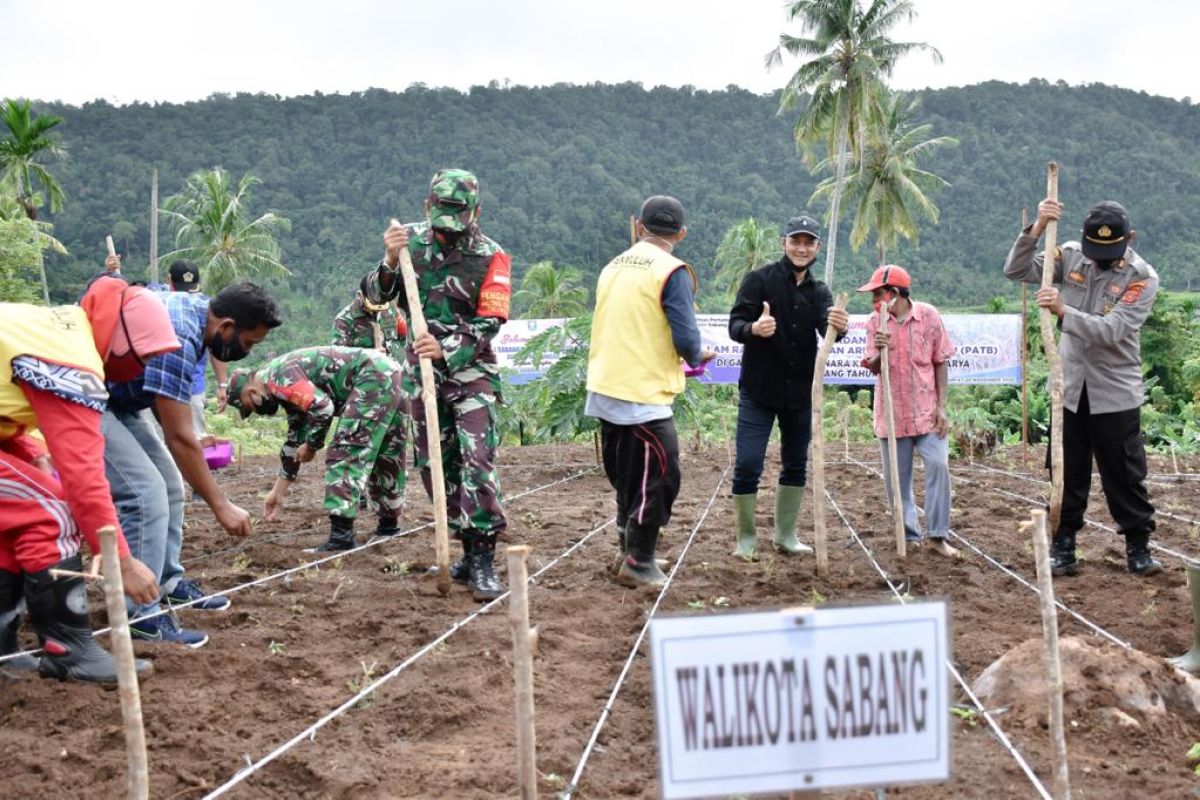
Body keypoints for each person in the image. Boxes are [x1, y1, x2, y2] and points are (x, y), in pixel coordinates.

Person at [1, 277, 171, 682]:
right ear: (121, 340)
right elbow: (85, 480)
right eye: (141, 356)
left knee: (18, 512)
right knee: (50, 510)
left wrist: (34, 453)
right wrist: (123, 564)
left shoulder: (56, 327)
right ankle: (68, 649)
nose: (140, 368)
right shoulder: (72, 360)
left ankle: (3, 650)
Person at [103, 278, 282, 647]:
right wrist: (221, 505)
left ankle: (164, 581)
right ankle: (139, 614)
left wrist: (190, 437)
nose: (246, 352)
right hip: (88, 395)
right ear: (227, 326)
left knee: (168, 482)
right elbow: (177, 438)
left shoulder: (199, 314)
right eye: (248, 343)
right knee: (143, 492)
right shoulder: (178, 337)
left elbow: (176, 422)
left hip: (123, 400)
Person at [362, 168, 511, 601]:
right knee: (433, 463)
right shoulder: (407, 243)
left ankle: (482, 556)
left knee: (477, 459)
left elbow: (492, 320)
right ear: (427, 207)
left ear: (476, 212)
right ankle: (461, 548)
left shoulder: (491, 255)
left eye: (458, 221)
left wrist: (446, 347)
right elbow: (374, 297)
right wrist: (389, 261)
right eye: (440, 219)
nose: (448, 232)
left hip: (471, 371)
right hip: (419, 376)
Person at [1004, 199, 1161, 576]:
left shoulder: (1141, 277)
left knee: (1123, 473)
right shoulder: (1072, 257)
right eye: (1096, 251)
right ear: (1082, 240)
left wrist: (1063, 311)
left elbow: (1113, 331)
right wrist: (1038, 226)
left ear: (1130, 239)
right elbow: (1017, 269)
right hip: (1070, 387)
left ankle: (1138, 546)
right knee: (1066, 470)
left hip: (1115, 392)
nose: (1100, 260)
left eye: (1109, 253)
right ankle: (1064, 543)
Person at [585, 195, 715, 589]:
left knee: (627, 475)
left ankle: (629, 547)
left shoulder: (613, 266)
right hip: (642, 394)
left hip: (606, 384)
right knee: (659, 477)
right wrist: (698, 354)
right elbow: (686, 334)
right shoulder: (672, 270)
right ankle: (639, 562)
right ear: (681, 233)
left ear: (639, 226)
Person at [727, 215, 849, 560]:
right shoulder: (758, 281)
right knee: (749, 463)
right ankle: (746, 539)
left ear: (817, 248)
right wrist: (755, 329)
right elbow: (734, 326)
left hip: (799, 394)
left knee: (795, 463)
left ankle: (785, 536)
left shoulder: (820, 291)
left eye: (809, 242)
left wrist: (840, 326)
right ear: (784, 242)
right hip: (759, 391)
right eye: (796, 240)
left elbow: (832, 332)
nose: (801, 247)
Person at [224, 346, 408, 551]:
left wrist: (312, 446)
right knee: (387, 453)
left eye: (249, 406)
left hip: (372, 375)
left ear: (251, 392)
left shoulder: (277, 378)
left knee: (344, 451)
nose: (256, 412)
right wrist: (277, 493)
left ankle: (341, 538)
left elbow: (323, 408)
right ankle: (388, 526)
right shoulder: (282, 388)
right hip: (391, 373)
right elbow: (294, 443)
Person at [858, 264, 960, 558]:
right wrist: (879, 350)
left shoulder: (928, 316)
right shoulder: (874, 323)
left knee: (939, 466)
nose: (873, 300)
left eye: (877, 294)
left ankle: (938, 535)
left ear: (895, 293)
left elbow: (940, 360)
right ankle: (910, 535)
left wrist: (942, 407)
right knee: (897, 482)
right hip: (892, 416)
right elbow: (872, 368)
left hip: (927, 413)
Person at [167, 260, 228, 443]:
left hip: (160, 384)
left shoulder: (158, 299)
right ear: (198, 283)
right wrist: (222, 385)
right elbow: (217, 348)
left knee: (163, 440)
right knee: (195, 441)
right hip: (193, 385)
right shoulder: (208, 307)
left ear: (169, 281)